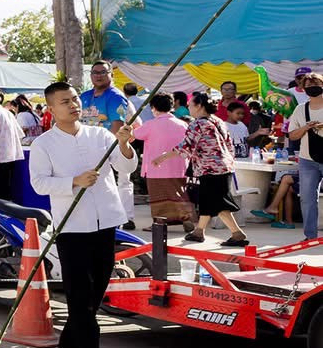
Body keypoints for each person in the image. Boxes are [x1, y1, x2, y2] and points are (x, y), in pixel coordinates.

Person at [29, 81, 136, 348]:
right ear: (51, 109)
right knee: (80, 296)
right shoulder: (44, 144)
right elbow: (39, 184)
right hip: (72, 227)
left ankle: (69, 345)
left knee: (96, 293)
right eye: (64, 101)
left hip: (105, 222)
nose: (72, 105)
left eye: (75, 99)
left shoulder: (100, 135)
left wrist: (126, 144)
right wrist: (74, 181)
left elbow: (127, 165)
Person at [154, 93, 249, 247]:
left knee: (217, 202)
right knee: (211, 201)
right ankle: (201, 232)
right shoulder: (218, 121)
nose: (188, 108)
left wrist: (163, 157)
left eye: (191, 105)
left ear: (199, 106)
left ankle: (234, 234)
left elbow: (186, 146)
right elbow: (229, 144)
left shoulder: (197, 124)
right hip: (224, 166)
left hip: (209, 168)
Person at [80, 61, 137, 227]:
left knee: (121, 182)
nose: (98, 75)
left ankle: (125, 218)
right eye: (94, 72)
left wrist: (106, 150)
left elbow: (116, 126)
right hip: (88, 148)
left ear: (111, 74)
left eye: (102, 72)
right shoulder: (85, 96)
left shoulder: (115, 97)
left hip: (111, 148)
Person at [132, 93, 193, 227]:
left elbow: (136, 134)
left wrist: (133, 125)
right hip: (180, 167)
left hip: (157, 168)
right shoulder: (183, 124)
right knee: (180, 194)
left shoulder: (151, 124)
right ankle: (186, 218)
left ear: (153, 107)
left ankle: (160, 223)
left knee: (159, 197)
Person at [287, 71, 323, 239]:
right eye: (308, 86)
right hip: (307, 159)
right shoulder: (301, 109)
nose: (312, 88)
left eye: (316, 85)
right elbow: (292, 135)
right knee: (307, 199)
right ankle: (310, 237)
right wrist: (306, 128)